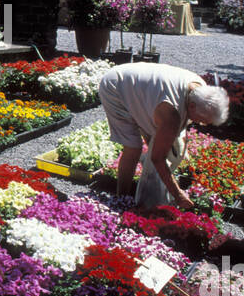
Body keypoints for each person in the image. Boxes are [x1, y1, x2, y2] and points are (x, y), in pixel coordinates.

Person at [98, 63, 230, 210]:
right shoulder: (171, 115)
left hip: (139, 86)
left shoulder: (201, 89)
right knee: (133, 148)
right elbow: (158, 158)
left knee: (160, 142)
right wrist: (178, 194)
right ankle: (121, 199)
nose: (200, 124)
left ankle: (139, 185)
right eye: (201, 120)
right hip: (116, 86)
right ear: (192, 106)